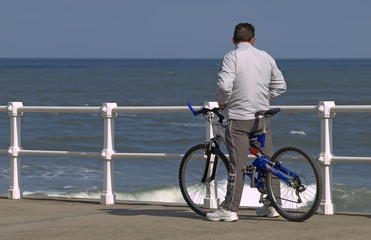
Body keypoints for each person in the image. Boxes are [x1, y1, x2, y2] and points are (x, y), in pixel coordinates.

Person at [206, 23, 287, 222]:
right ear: (253, 40)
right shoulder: (265, 56)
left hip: (239, 119)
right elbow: (281, 86)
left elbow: (224, 86)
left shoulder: (231, 57)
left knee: (237, 165)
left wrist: (223, 103)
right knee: (269, 163)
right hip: (262, 118)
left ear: (233, 40)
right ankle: (273, 205)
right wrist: (263, 96)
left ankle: (229, 209)